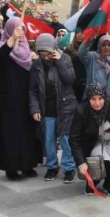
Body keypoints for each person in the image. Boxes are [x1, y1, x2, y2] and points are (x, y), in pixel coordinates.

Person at [0, 17, 41, 181]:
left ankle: (27, 165)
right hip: (9, 98)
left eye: (22, 28)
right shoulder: (3, 45)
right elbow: (0, 56)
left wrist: (33, 59)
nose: (20, 31)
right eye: (16, 28)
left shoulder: (26, 46)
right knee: (12, 132)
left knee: (27, 132)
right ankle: (11, 168)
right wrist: (13, 38)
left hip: (26, 96)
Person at [29, 34, 78, 184]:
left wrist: (60, 62)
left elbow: (70, 79)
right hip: (47, 108)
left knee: (65, 139)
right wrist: (35, 109)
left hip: (65, 107)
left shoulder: (65, 58)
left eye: (48, 53)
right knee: (49, 139)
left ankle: (69, 168)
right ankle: (52, 167)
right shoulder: (37, 65)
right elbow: (32, 90)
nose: (46, 57)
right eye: (42, 54)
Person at [70, 82, 110, 197]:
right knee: (101, 159)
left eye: (100, 98)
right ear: (88, 99)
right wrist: (81, 163)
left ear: (104, 97)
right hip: (93, 141)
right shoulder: (81, 110)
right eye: (93, 99)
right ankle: (93, 182)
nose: (97, 103)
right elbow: (74, 139)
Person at [64, 30, 88, 102]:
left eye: (82, 33)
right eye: (77, 32)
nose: (79, 35)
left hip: (85, 82)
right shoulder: (68, 50)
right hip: (72, 83)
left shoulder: (89, 49)